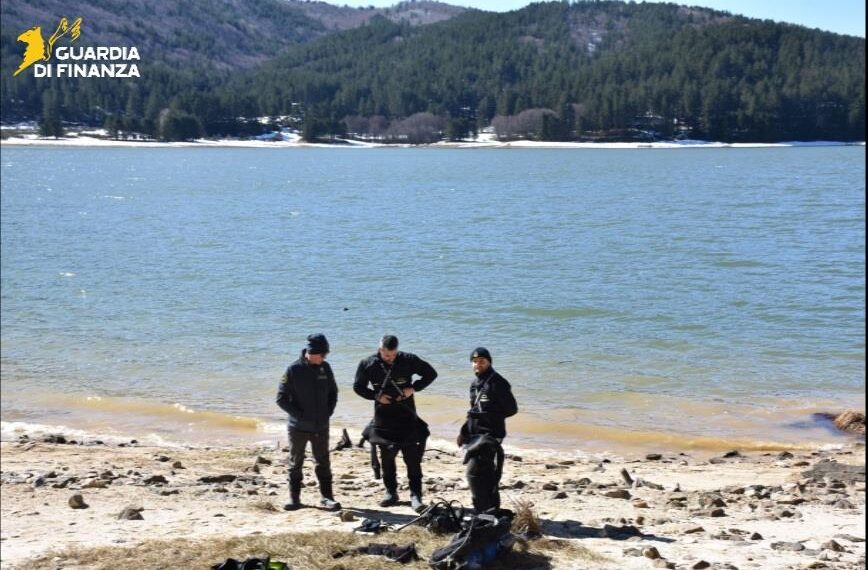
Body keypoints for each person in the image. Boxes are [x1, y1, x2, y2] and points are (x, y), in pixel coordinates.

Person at [354, 335, 437, 512]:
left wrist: (413, 388)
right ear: (380, 350)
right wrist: (376, 396)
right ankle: (391, 493)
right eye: (386, 355)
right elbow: (358, 387)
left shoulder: (408, 359)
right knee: (387, 459)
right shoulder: (367, 364)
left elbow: (431, 374)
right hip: (383, 418)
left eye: (393, 355)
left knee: (412, 459)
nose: (390, 358)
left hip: (407, 415)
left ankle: (416, 495)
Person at [276, 333, 341, 511]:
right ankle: (294, 498)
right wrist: (299, 415)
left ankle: (327, 497)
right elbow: (281, 399)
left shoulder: (325, 368)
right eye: (322, 355)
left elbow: (333, 393)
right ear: (311, 353)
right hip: (298, 427)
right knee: (295, 462)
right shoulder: (293, 370)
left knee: (323, 462)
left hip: (321, 426)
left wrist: (328, 413)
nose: (324, 358)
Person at [457, 347, 518, 514]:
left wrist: (491, 418)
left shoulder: (498, 382)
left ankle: (484, 511)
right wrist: (463, 431)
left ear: (489, 362)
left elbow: (512, 409)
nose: (478, 364)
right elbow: (474, 410)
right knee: (486, 474)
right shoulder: (475, 384)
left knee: (474, 474)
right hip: (475, 436)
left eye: (482, 361)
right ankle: (489, 511)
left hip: (490, 436)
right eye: (475, 362)